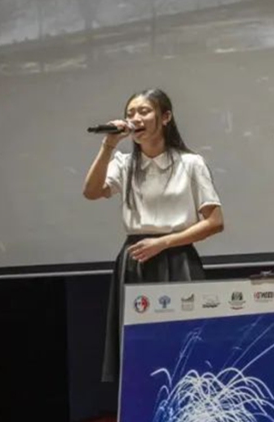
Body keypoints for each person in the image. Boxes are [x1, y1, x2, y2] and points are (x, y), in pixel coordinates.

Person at [82, 88, 224, 384]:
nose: (136, 118)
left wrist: (164, 242)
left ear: (166, 117)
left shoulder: (190, 163)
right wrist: (109, 145)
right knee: (137, 351)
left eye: (144, 111)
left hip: (177, 258)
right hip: (135, 260)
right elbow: (92, 192)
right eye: (130, 113)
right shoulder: (124, 163)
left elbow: (214, 222)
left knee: (182, 347)